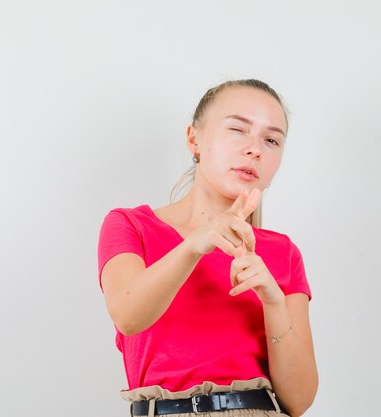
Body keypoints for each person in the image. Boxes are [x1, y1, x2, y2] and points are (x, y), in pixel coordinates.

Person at [97, 79, 318, 417]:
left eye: (271, 140)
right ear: (193, 139)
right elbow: (129, 317)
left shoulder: (281, 252)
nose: (255, 149)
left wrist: (273, 302)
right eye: (238, 130)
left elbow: (299, 399)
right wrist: (196, 244)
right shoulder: (131, 225)